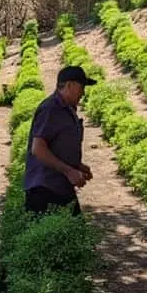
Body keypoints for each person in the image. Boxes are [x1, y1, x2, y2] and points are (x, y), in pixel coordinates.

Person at [22, 66, 97, 215]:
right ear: (69, 85)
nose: (83, 92)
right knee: (68, 233)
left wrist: (77, 166)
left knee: (74, 232)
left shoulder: (66, 109)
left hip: (60, 187)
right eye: (81, 87)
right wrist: (69, 171)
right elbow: (38, 148)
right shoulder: (51, 108)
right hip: (45, 189)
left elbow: (57, 146)